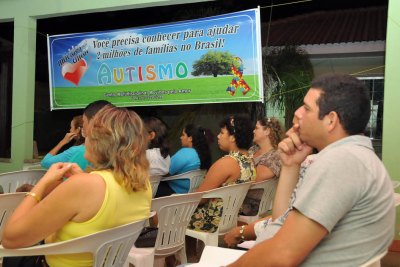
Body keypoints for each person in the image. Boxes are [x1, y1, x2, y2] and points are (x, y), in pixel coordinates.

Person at [226, 74, 395, 266]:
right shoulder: (351, 156)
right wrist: (290, 165)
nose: (297, 113)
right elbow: (280, 223)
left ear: (331, 120)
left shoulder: (341, 161)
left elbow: (282, 253)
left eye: (306, 108)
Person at [2, 105, 152, 267]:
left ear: (97, 142)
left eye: (87, 133)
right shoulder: (143, 184)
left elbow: (10, 239)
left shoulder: (84, 185)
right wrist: (83, 178)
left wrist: (43, 183)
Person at [187, 115, 256, 233]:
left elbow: (199, 198)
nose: (218, 136)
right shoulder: (249, 162)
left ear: (233, 137)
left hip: (210, 220)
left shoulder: (226, 163)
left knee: (163, 215)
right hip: (230, 218)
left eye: (222, 133)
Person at [241, 117, 284, 216]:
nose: (253, 131)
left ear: (267, 131)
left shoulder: (275, 155)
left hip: (253, 205)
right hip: (240, 197)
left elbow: (253, 178)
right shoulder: (254, 149)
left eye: (256, 128)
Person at [155, 124, 212, 197]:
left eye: (183, 135)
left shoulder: (186, 152)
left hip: (175, 191)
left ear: (190, 138)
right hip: (190, 191)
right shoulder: (203, 154)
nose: (180, 137)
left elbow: (165, 171)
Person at [67, 100, 111, 171]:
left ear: (94, 123)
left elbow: (46, 162)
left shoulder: (81, 152)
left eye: (84, 121)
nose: (83, 126)